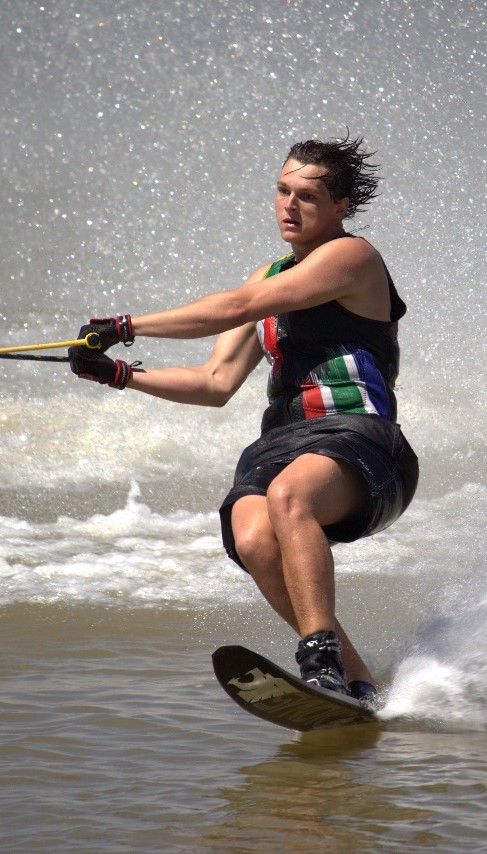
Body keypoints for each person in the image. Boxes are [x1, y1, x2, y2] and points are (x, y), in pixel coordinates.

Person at [69, 135, 419, 710]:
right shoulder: (269, 276)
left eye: (307, 196)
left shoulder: (352, 258)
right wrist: (119, 374)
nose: (289, 205)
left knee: (288, 497)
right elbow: (215, 382)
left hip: (361, 440)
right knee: (252, 535)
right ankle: (357, 684)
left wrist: (125, 326)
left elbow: (235, 308)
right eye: (282, 191)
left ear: (341, 206)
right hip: (284, 444)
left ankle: (320, 661)